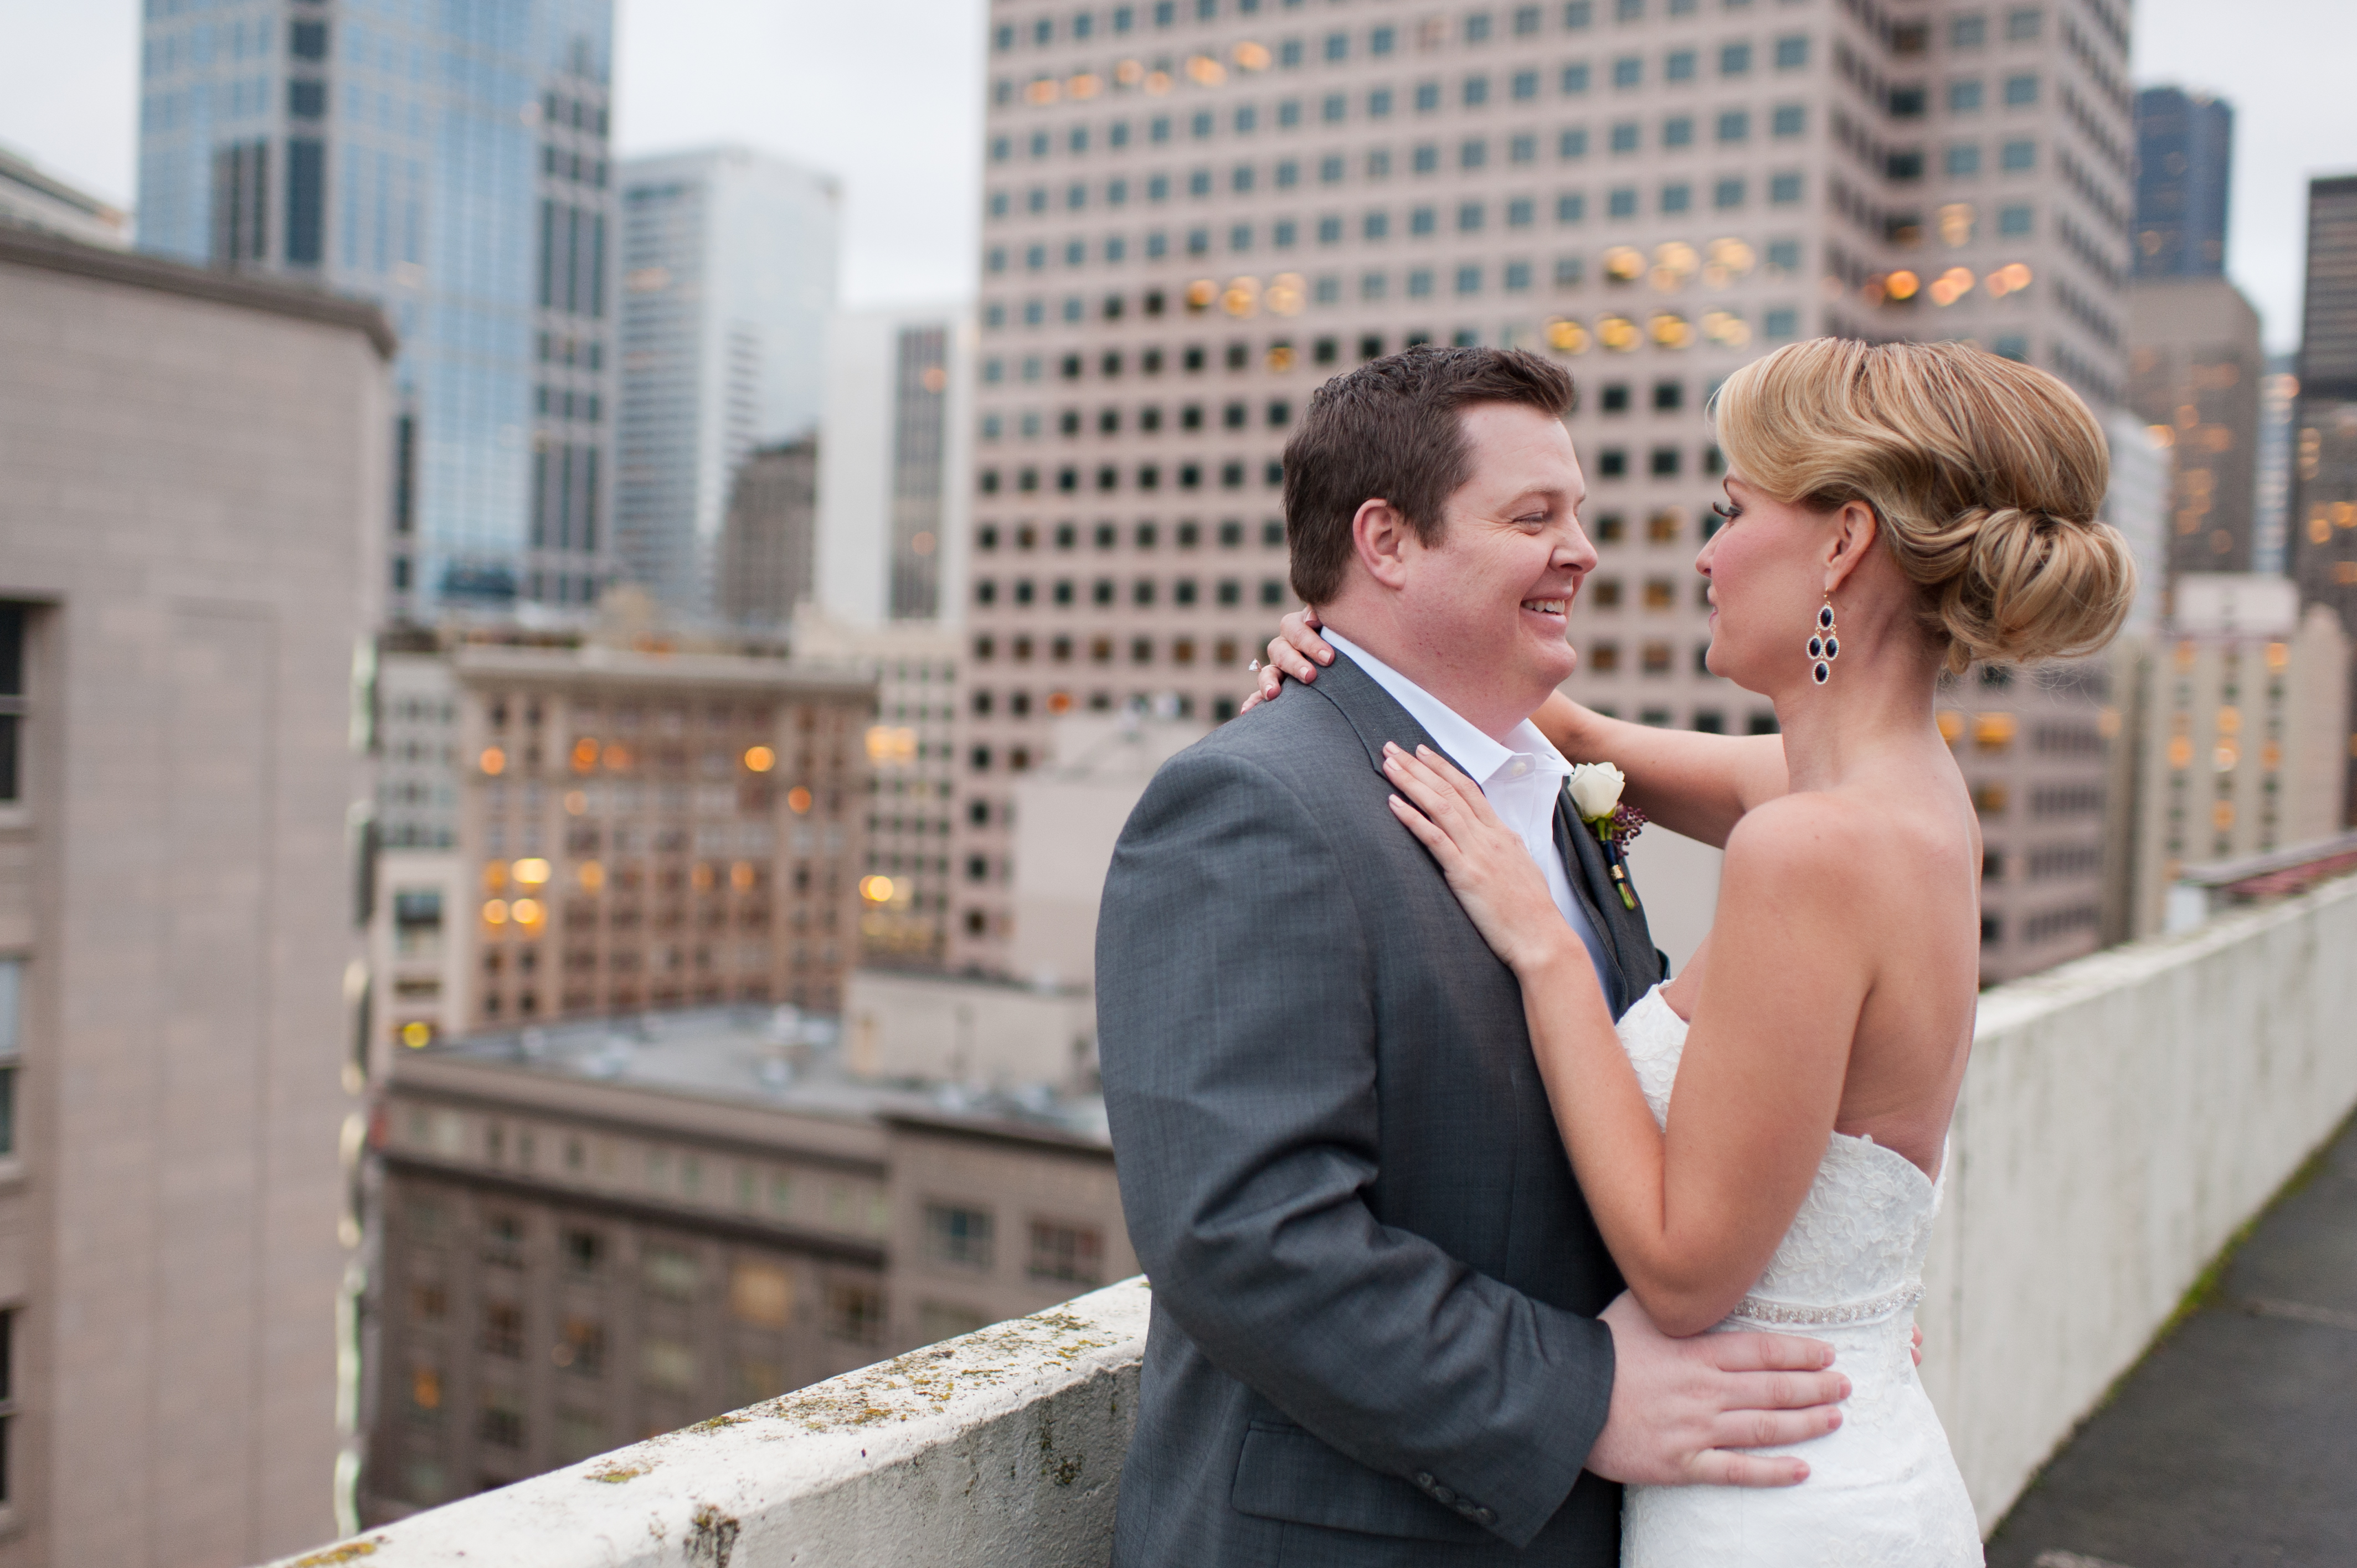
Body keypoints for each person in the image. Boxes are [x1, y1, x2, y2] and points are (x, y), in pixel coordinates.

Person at [1250, 337, 2135, 1565]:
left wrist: (1547, 956)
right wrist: (1340, 635)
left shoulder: (1811, 849)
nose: (1704, 555)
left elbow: (1681, 1277)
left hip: (1770, 1504)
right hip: (1846, 1447)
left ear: (1842, 544)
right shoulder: (1906, 801)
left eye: (1731, 512)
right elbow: (1564, 724)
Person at [1095, 344, 1854, 1568]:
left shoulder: (1558, 795)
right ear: (1386, 543)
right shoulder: (1253, 805)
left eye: (1581, 516)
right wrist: (1587, 1394)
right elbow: (1240, 1231)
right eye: (1533, 517)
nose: (1584, 551)